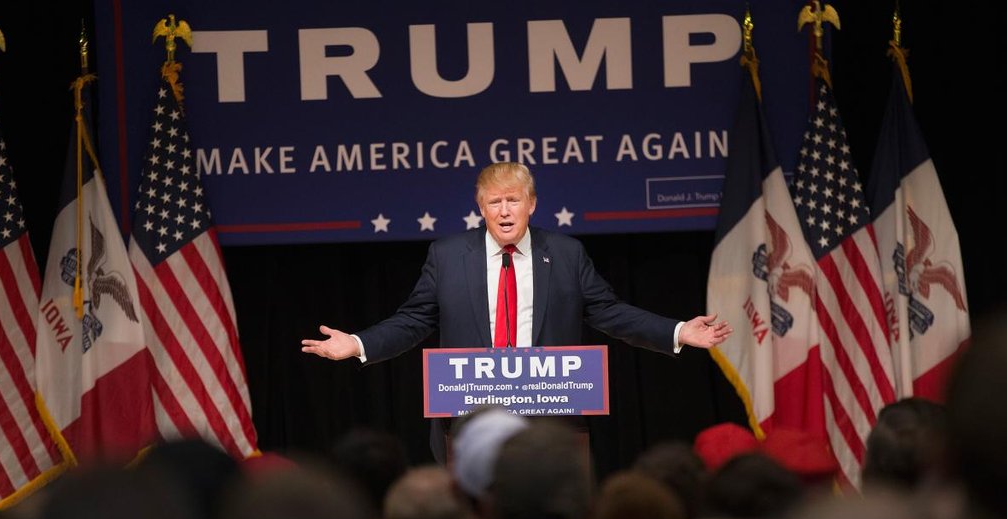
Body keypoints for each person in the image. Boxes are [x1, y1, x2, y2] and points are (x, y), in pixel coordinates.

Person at [301, 162, 732, 460]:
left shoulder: (564, 254)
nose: (504, 211)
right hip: (470, 418)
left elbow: (609, 312)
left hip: (549, 416)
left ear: (531, 204)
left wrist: (677, 331)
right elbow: (414, 319)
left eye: (513, 200)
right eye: (493, 202)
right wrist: (358, 343)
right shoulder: (449, 256)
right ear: (480, 207)